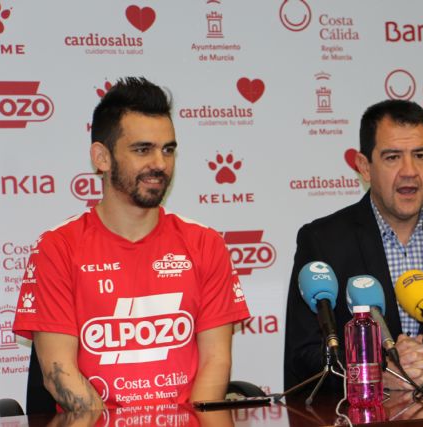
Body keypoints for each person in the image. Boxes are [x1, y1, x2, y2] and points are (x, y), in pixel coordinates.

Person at [13, 77, 250, 411]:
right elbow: (58, 374)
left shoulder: (205, 243)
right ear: (102, 157)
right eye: (142, 150)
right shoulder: (57, 247)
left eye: (168, 150)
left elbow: (215, 362)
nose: (160, 164)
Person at [284, 99, 423, 393]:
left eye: (420, 155)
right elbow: (304, 355)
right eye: (393, 157)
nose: (409, 171)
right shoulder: (323, 241)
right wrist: (378, 373)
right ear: (364, 167)